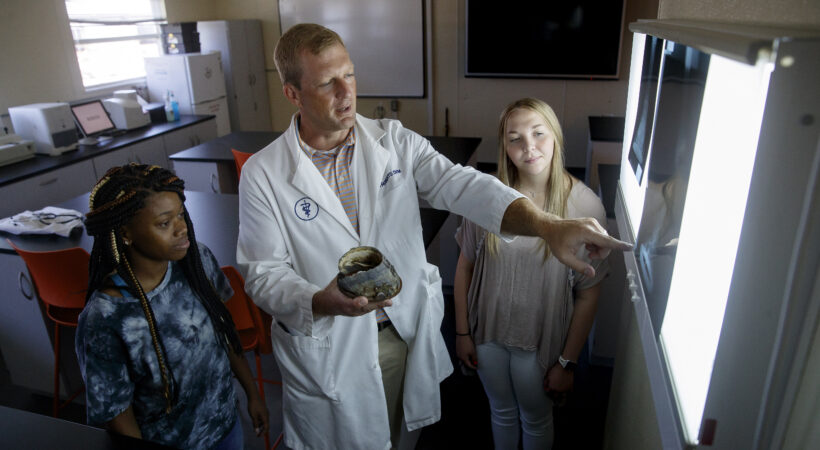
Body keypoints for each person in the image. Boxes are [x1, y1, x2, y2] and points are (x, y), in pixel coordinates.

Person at [236, 23, 628, 450]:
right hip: (332, 345)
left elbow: (464, 186)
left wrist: (546, 225)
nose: (346, 93)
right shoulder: (264, 173)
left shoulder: (394, 140)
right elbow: (262, 273)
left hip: (402, 332)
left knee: (405, 438)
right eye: (327, 83)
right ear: (291, 93)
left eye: (349, 75)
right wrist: (319, 301)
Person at [76, 163, 269, 449]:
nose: (182, 228)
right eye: (164, 223)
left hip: (226, 426)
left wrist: (251, 392)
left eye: (181, 215)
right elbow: (117, 413)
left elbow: (224, 332)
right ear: (125, 233)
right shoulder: (105, 317)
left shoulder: (197, 260)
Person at [453, 98, 608, 449]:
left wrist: (567, 363)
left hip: (540, 344)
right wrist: (462, 332)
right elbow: (465, 265)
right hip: (488, 334)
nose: (529, 147)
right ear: (504, 147)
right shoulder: (486, 196)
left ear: (555, 136)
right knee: (501, 411)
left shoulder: (583, 206)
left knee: (536, 419)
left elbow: (589, 293)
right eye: (515, 138)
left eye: (538, 134)